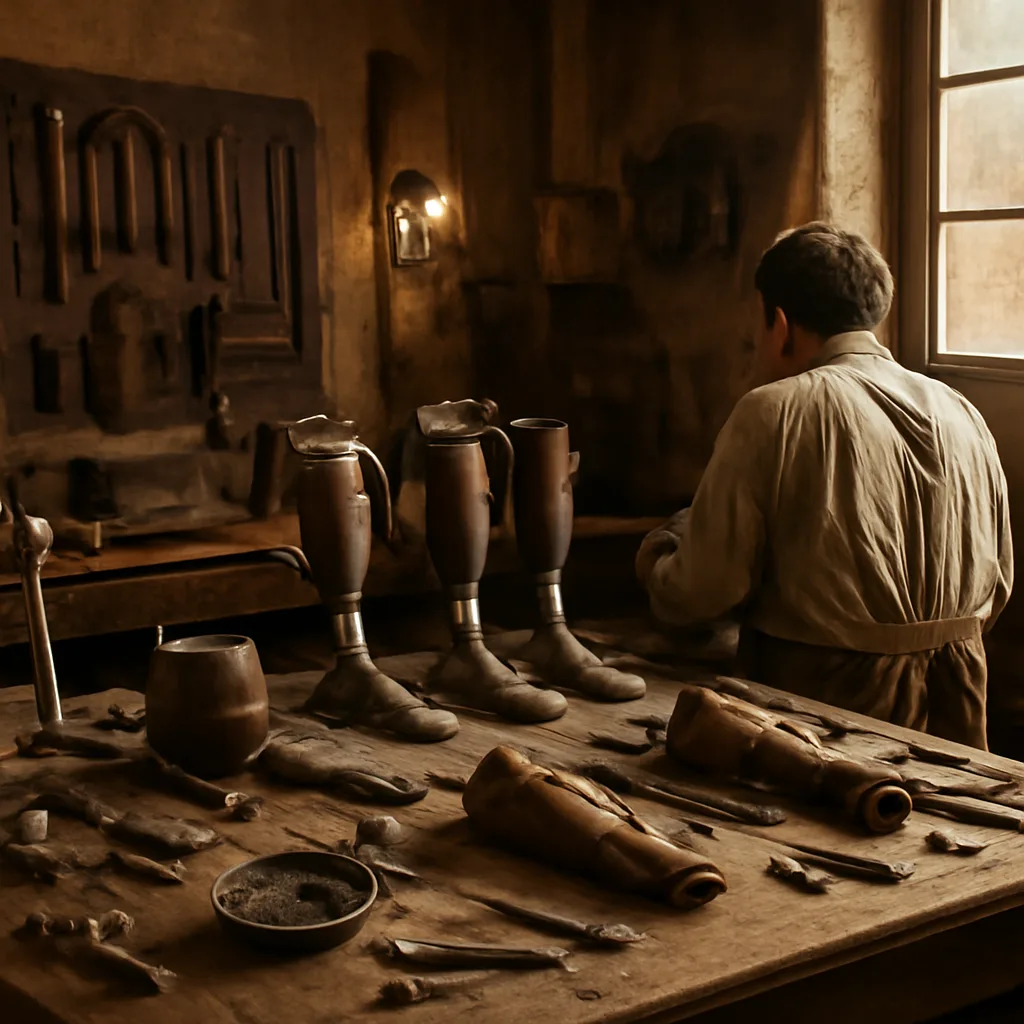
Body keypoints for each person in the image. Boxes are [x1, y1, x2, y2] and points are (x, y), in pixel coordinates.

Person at [635, 222, 1013, 749]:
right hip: (959, 706)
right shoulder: (960, 410)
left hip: (826, 715)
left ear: (781, 324)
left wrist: (656, 560)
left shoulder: (773, 410)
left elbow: (702, 591)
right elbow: (997, 588)